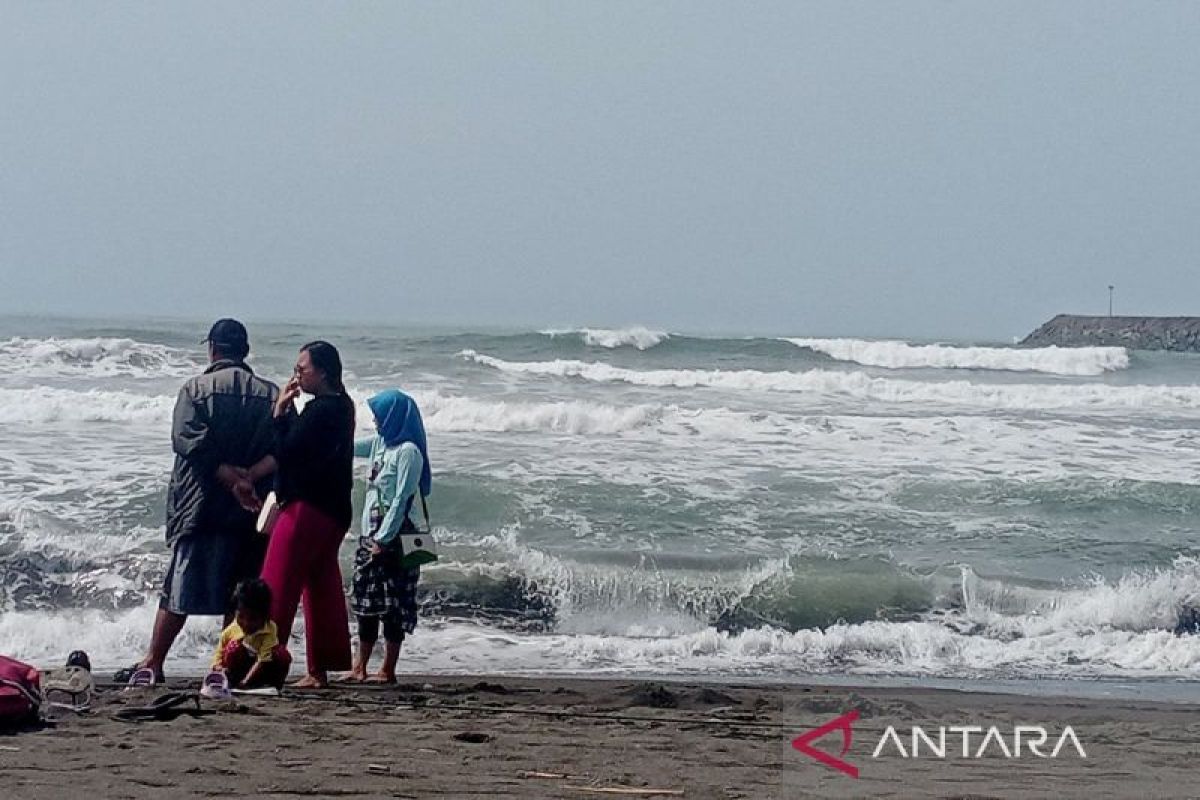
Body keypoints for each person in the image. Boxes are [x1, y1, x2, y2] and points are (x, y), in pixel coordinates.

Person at [117, 319, 277, 685]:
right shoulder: (270, 394)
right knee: (238, 594)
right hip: (250, 507)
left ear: (213, 350)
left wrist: (229, 477)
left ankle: (154, 663)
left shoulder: (196, 389)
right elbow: (280, 448)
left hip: (201, 505)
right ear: (245, 351)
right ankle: (223, 668)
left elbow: (189, 441)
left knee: (178, 590)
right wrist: (248, 478)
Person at [259, 341, 355, 688]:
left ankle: (264, 661)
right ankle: (320, 668)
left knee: (277, 584)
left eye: (303, 368)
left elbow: (288, 451)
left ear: (323, 372)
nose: (297, 373)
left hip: (307, 509)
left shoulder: (321, 411)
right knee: (320, 584)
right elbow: (308, 446)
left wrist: (279, 414)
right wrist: (293, 413)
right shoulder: (342, 406)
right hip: (334, 510)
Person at [348, 390, 432, 684]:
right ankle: (359, 666)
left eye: (380, 416)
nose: (376, 422)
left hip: (397, 538)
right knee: (366, 603)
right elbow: (351, 447)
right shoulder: (381, 444)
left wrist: (384, 540)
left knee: (395, 605)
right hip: (371, 534)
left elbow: (402, 499)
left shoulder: (409, 451)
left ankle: (387, 669)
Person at [211, 579, 291, 689]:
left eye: (253, 618)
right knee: (232, 649)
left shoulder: (269, 628)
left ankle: (272, 684)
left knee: (281, 654)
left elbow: (263, 660)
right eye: (241, 617)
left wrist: (246, 682)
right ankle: (232, 681)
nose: (246, 623)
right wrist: (219, 668)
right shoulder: (233, 628)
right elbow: (219, 654)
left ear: (264, 616)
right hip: (238, 670)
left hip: (260, 671)